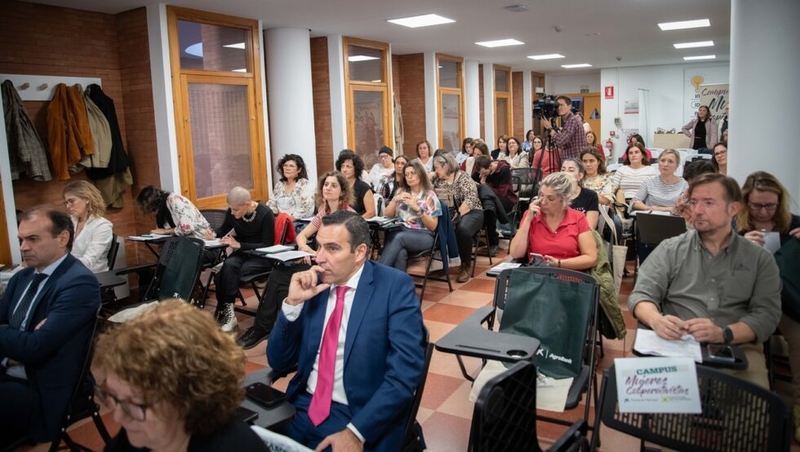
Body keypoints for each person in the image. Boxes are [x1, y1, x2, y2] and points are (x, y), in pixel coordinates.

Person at [266, 211, 426, 450]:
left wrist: (356, 433)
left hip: (358, 414)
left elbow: (403, 375)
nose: (319, 258)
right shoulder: (313, 284)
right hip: (302, 408)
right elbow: (279, 362)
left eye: (332, 249)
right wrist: (293, 305)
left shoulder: (393, 287)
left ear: (359, 252)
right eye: (318, 247)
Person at [629, 173, 782, 389]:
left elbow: (767, 314)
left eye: (708, 203)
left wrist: (723, 333)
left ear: (733, 209)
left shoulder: (759, 259)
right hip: (677, 342)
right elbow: (642, 295)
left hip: (736, 344)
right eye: (694, 202)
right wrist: (656, 320)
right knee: (661, 406)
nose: (697, 210)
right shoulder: (670, 249)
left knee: (752, 408)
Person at [93, 300, 268, 452]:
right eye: (113, 397)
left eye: (133, 404)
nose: (117, 417)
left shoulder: (239, 446)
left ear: (187, 401)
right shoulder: (132, 439)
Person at [0, 207, 100, 446]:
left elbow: (35, 348)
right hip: (9, 371)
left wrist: (12, 339)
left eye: (33, 239)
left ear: (62, 238)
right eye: (21, 240)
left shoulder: (78, 283)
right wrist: (14, 348)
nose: (23, 247)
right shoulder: (21, 278)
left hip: (40, 387)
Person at [237, 171, 355, 349]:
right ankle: (269, 328)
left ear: (343, 191)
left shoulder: (348, 216)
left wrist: (318, 256)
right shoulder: (324, 212)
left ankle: (267, 328)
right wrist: (305, 249)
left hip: (335, 268)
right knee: (278, 272)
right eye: (326, 184)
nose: (328, 188)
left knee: (282, 278)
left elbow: (345, 252)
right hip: (317, 262)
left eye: (333, 185)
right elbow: (302, 236)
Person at [736, 172, 800, 442]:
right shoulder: (735, 228)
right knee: (740, 340)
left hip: (788, 303)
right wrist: (738, 246)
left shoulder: (794, 225)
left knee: (799, 338)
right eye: (756, 205)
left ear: (780, 203)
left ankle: (798, 406)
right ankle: (747, 403)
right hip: (749, 303)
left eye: (770, 206)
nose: (763, 212)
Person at [211, 187, 275, 332]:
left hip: (262, 256)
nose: (232, 213)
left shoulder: (266, 214)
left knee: (225, 273)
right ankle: (229, 312)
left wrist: (239, 244)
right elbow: (223, 230)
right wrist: (213, 234)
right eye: (231, 210)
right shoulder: (232, 212)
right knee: (228, 267)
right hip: (242, 253)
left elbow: (267, 244)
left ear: (247, 203)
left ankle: (226, 310)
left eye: (235, 210)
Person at [509, 172, 598, 270]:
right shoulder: (531, 215)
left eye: (550, 198)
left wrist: (559, 263)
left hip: (569, 276)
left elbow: (591, 258)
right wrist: (528, 220)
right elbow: (516, 253)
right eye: (541, 195)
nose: (543, 202)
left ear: (564, 200)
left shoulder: (578, 218)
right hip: (537, 276)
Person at [380, 160, 442, 271]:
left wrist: (417, 208)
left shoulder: (429, 195)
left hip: (424, 235)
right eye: (407, 174)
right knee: (400, 252)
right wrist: (395, 200)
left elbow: (433, 226)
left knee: (398, 238)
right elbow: (387, 215)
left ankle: (378, 274)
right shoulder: (401, 191)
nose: (409, 177)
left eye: (413, 173)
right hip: (402, 232)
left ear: (420, 174)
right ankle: (400, 286)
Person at [432, 153, 484, 283]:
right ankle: (443, 261)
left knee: (462, 229)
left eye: (437, 168)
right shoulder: (438, 181)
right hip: (449, 213)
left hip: (472, 211)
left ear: (446, 166)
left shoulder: (463, 177)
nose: (436, 171)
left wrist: (457, 215)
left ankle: (466, 265)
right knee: (435, 226)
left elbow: (471, 199)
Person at [62, 180, 113, 272]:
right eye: (66, 202)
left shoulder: (102, 226)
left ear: (87, 199)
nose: (68, 206)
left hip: (92, 275)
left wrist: (60, 269)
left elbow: (88, 261)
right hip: (72, 272)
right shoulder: (70, 221)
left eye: (71, 201)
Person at [473, 154, 518, 257]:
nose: (481, 175)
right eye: (480, 173)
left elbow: (502, 193)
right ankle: (475, 237)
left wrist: (485, 185)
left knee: (490, 210)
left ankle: (493, 243)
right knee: (484, 206)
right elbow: (472, 181)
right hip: (489, 200)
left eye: (484, 173)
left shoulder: (503, 170)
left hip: (506, 199)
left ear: (490, 166)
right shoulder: (481, 170)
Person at [135, 185, 212, 239]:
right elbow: (164, 230)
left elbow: (188, 228)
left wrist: (166, 231)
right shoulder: (162, 209)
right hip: (182, 242)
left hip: (199, 239)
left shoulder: (174, 200)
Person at [266, 154, 315, 220]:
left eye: (291, 166)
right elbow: (271, 202)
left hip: (299, 222)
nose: (287, 168)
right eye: (285, 165)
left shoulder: (305, 184)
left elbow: (308, 207)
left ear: (299, 170)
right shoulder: (279, 185)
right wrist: (275, 217)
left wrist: (291, 218)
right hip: (280, 221)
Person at [539, 95, 587, 160]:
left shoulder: (572, 120)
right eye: (557, 106)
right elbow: (561, 142)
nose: (559, 107)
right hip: (572, 160)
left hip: (574, 162)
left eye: (562, 105)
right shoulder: (569, 120)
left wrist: (550, 128)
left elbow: (561, 141)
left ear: (569, 106)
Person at [560, 159, 600, 229]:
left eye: (571, 170)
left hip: (582, 236)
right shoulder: (555, 194)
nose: (565, 173)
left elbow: (590, 227)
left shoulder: (590, 195)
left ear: (580, 176)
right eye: (563, 170)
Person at [336, 150, 375, 219]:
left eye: (348, 167)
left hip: (358, 224)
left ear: (356, 169)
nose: (344, 170)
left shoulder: (364, 188)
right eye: (342, 166)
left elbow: (371, 212)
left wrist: (354, 222)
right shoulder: (337, 186)